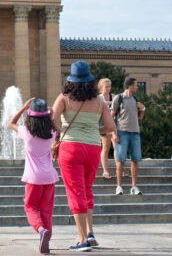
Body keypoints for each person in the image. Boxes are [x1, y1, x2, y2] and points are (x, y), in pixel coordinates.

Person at [53, 61, 116, 252]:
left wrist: (60, 132)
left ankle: (82, 240)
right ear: (90, 80)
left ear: (70, 80)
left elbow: (52, 122)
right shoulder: (99, 101)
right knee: (87, 189)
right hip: (93, 148)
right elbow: (111, 127)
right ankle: (90, 232)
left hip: (70, 148)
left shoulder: (64, 98)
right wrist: (93, 130)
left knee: (75, 192)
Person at [8, 98, 59, 255]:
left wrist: (24, 107)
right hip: (49, 177)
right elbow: (58, 129)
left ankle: (41, 230)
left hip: (33, 178)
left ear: (31, 115)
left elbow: (11, 123)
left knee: (30, 208)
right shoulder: (51, 133)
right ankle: (46, 246)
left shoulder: (26, 132)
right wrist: (50, 115)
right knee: (46, 210)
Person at [111, 77, 145, 196]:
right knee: (120, 160)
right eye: (136, 85)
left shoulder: (135, 99)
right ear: (130, 86)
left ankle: (134, 186)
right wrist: (114, 133)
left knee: (135, 160)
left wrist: (143, 109)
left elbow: (139, 117)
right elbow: (111, 116)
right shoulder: (118, 98)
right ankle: (119, 186)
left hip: (135, 132)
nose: (137, 87)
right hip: (122, 131)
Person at [98, 78, 115, 179]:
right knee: (106, 147)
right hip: (102, 124)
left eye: (110, 86)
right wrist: (107, 104)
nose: (108, 88)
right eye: (106, 86)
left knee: (117, 146)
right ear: (101, 87)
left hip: (113, 123)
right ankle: (105, 170)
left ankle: (120, 169)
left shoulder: (113, 97)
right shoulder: (99, 98)